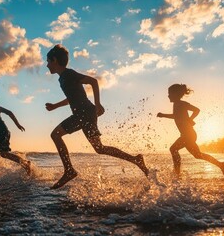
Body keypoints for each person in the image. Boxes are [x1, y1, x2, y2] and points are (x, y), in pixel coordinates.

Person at [45, 44, 149, 189]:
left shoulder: (69, 74)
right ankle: (136, 160)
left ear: (55, 60)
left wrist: (98, 104)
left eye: (48, 61)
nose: (47, 65)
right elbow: (72, 97)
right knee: (99, 148)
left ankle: (69, 170)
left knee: (56, 135)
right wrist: (55, 106)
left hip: (85, 113)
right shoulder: (63, 78)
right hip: (83, 114)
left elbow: (93, 81)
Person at [157, 84, 224, 177]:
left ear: (176, 94)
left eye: (170, 93)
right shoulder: (177, 104)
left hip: (188, 134)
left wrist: (190, 119)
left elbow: (196, 110)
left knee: (173, 149)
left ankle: (177, 174)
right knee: (198, 155)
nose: (168, 96)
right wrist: (164, 115)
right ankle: (222, 165)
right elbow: (177, 115)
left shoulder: (181, 104)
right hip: (188, 134)